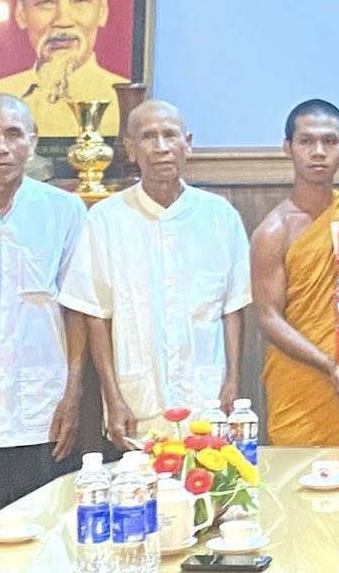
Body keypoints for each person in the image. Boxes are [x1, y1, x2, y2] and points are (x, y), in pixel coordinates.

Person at [0, 95, 93, 536]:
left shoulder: (64, 210)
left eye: (13, 134)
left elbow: (76, 308)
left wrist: (72, 394)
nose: (0, 147)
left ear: (32, 141)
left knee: (47, 536)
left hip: (43, 405)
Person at [80, 100, 250, 448]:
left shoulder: (219, 216)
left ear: (188, 143)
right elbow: (96, 315)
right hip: (138, 403)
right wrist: (112, 397)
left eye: (170, 135)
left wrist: (232, 381)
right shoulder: (105, 219)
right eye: (148, 137)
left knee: (209, 480)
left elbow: (232, 309)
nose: (161, 147)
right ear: (130, 149)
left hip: (207, 400)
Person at [251, 99, 339, 449]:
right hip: (302, 381)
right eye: (306, 141)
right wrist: (328, 365)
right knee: (299, 476)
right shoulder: (274, 231)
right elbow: (269, 318)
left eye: (329, 141)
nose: (318, 152)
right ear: (287, 147)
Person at [0, 0, 132, 140]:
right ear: (21, 13)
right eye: (46, 1)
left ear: (102, 11)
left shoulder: (126, 103)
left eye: (80, 0)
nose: (62, 20)